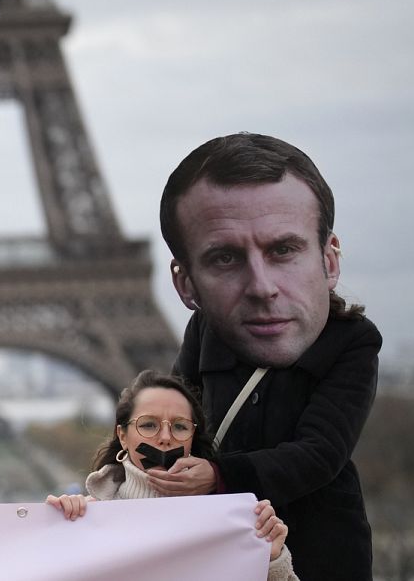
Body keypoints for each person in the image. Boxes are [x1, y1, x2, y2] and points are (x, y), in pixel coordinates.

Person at [157, 133, 381, 581]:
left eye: (283, 250)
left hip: (316, 559)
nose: (262, 287)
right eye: (225, 258)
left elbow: (319, 454)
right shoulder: (204, 331)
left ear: (329, 259)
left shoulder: (352, 342)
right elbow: (171, 426)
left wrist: (217, 476)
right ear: (186, 285)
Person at [46, 370, 297, 581]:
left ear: (192, 438)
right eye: (148, 425)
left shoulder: (231, 521)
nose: (165, 438)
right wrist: (53, 534)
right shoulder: (88, 516)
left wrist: (271, 561)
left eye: (179, 426)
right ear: (122, 435)